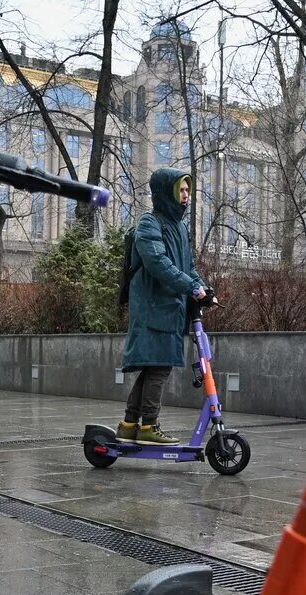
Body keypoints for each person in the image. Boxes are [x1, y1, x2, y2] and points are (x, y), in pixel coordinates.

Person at [118, 167, 207, 446]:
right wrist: (189, 287)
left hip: (169, 308)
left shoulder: (179, 227)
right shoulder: (149, 223)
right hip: (151, 307)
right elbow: (159, 264)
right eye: (180, 190)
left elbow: (187, 266)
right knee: (159, 367)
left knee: (153, 367)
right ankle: (148, 425)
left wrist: (204, 288)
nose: (185, 196)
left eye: (187, 190)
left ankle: (129, 424)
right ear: (165, 192)